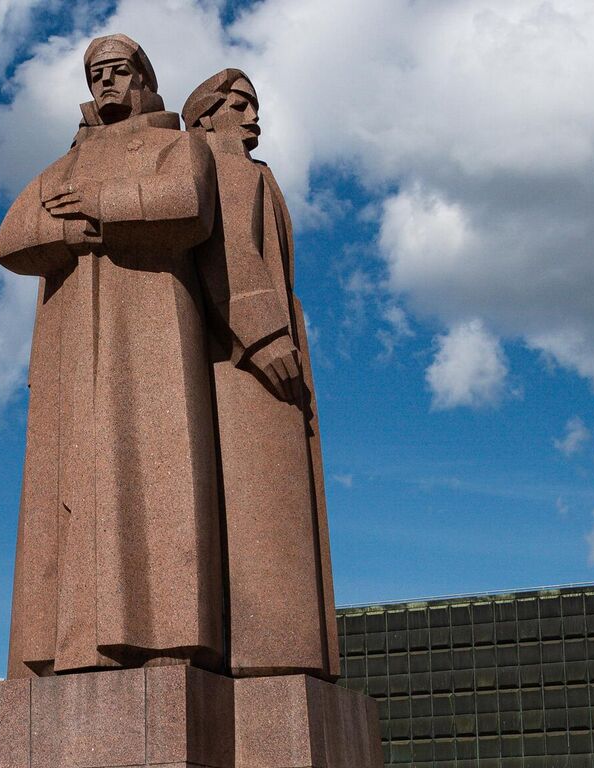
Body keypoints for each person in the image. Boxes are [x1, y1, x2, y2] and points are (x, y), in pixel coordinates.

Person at [0, 34, 224, 676]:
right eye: (96, 73)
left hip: (154, 334)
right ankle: (69, 643)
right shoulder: (63, 165)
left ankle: (167, 632)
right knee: (69, 488)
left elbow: (188, 204)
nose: (105, 82)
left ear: (143, 78)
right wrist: (73, 229)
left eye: (118, 70)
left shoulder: (177, 145)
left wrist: (100, 208)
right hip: (71, 349)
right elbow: (11, 238)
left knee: (159, 473)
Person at [184, 68, 338, 679]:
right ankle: (274, 655)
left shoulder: (255, 171)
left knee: (281, 510)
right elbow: (227, 252)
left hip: (257, 349)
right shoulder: (223, 165)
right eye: (240, 105)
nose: (253, 117)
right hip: (244, 360)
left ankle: (285, 654)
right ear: (207, 116)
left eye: (255, 106)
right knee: (263, 510)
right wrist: (267, 334)